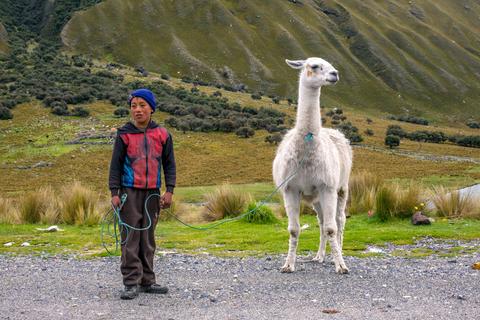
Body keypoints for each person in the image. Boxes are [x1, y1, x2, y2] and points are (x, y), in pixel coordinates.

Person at [109, 88, 176, 300]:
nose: (137, 110)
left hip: (152, 195)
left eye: (142, 105)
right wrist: (114, 192)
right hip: (129, 193)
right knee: (130, 238)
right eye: (133, 106)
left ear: (152, 108)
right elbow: (115, 166)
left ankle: (147, 281)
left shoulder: (163, 135)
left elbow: (169, 164)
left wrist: (169, 190)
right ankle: (131, 282)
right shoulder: (124, 134)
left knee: (147, 239)